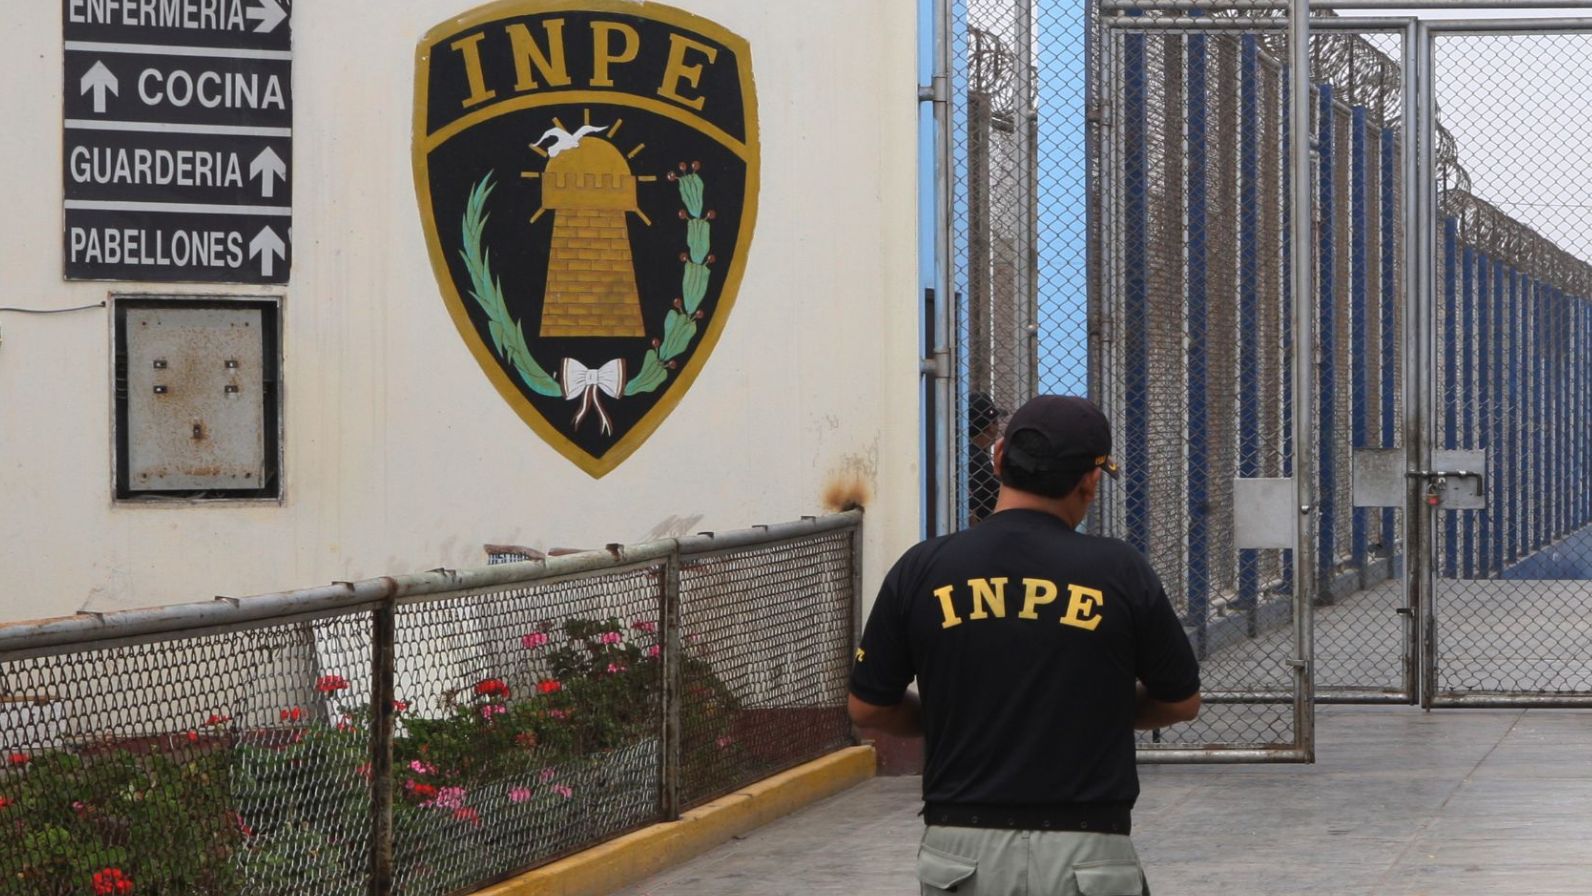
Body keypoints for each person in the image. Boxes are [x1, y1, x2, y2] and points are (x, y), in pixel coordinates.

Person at [849, 394, 1201, 896]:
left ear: (998, 459)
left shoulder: (923, 568)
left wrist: (955, 717)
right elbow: (1181, 701)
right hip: (1088, 851)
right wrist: (1091, 713)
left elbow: (868, 708)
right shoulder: (1120, 571)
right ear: (1090, 480)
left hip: (961, 850)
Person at [967, 392, 1003, 525]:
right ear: (991, 427)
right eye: (996, 422)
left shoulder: (969, 452)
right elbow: (971, 513)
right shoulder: (976, 459)